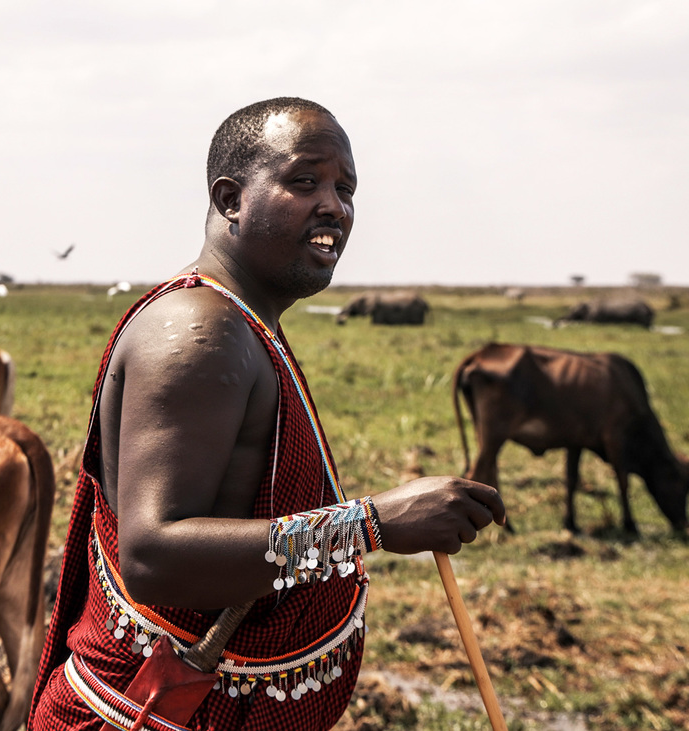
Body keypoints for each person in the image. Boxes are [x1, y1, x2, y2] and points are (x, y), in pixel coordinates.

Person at [29, 97, 505, 731]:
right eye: (304, 181)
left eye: (346, 188)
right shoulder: (199, 331)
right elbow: (154, 556)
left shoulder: (246, 325)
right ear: (230, 199)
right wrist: (372, 524)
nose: (334, 206)